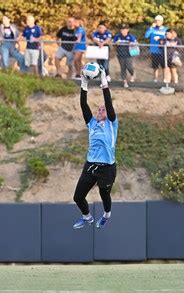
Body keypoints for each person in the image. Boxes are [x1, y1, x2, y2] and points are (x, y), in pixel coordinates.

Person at [73, 67, 118, 230]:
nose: (100, 110)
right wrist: (84, 82)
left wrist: (103, 81)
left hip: (107, 168)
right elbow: (83, 104)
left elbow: (108, 103)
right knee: (78, 197)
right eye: (98, 109)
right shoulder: (92, 124)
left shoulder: (112, 124)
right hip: (90, 165)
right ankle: (87, 217)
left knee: (104, 194)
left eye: (103, 109)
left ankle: (107, 215)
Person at [144, 15, 167, 82]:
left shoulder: (165, 29)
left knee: (164, 67)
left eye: (159, 21)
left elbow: (168, 38)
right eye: (156, 21)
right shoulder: (152, 29)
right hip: (154, 50)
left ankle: (165, 79)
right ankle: (155, 79)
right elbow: (146, 36)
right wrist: (151, 28)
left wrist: (161, 39)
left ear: (162, 22)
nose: (158, 22)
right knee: (155, 67)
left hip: (162, 51)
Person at [113, 24, 137, 88]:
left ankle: (132, 74)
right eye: (122, 29)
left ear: (127, 30)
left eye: (125, 29)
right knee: (123, 67)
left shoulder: (130, 36)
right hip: (120, 54)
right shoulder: (118, 36)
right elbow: (114, 43)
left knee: (129, 67)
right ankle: (124, 81)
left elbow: (135, 43)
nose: (123, 31)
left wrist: (131, 43)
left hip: (128, 54)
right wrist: (116, 43)